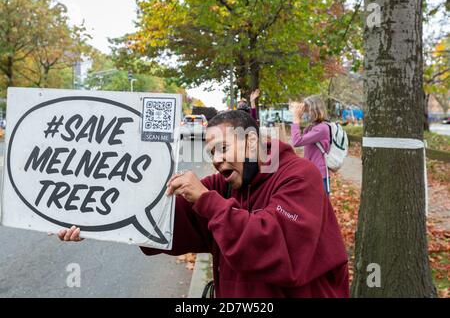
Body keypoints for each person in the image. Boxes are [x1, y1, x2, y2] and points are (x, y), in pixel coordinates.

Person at [58, 110, 349, 298]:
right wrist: (94, 221)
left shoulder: (299, 176)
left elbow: (276, 243)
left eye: (223, 147)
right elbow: (163, 219)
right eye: (211, 152)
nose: (217, 159)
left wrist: (207, 201)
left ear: (250, 142)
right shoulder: (223, 186)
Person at [290, 95, 331, 194]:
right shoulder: (312, 126)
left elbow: (296, 141)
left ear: (315, 110)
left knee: (321, 207)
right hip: (311, 172)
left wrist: (296, 119)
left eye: (307, 110)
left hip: (320, 175)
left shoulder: (322, 128)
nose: (305, 113)